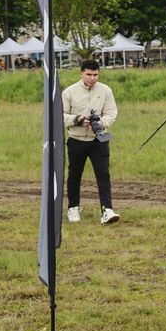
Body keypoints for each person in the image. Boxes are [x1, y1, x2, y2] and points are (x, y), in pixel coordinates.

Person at [62, 60, 119, 224]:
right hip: (76, 139)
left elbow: (111, 113)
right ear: (81, 73)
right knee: (74, 174)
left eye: (95, 75)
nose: (92, 78)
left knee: (103, 174)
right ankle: (73, 208)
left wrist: (100, 123)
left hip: (99, 139)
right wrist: (77, 119)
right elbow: (61, 114)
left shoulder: (106, 90)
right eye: (89, 74)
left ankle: (107, 210)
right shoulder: (69, 92)